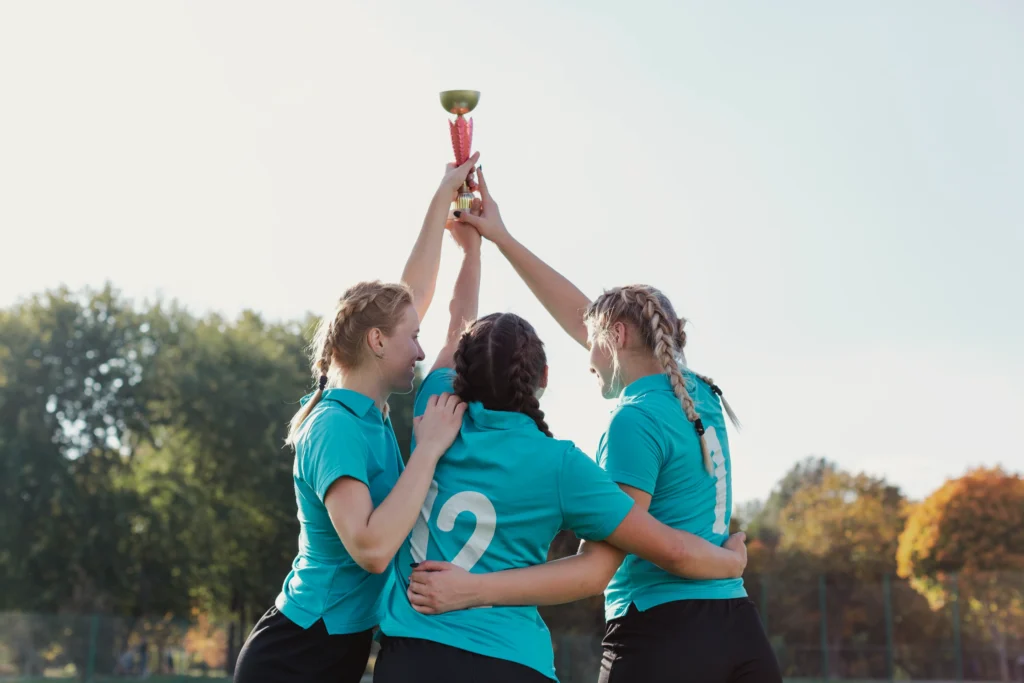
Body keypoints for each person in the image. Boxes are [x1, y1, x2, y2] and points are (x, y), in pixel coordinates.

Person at [405, 167, 782, 683]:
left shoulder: (633, 420)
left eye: (594, 341)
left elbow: (608, 562)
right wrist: (501, 238)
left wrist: (474, 588)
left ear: (620, 336)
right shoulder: (700, 396)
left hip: (662, 629)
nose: (587, 356)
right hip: (739, 627)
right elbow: (593, 321)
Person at [233, 154, 479, 683]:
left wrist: (455, 222)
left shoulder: (368, 413)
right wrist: (428, 450)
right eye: (412, 338)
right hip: (294, 658)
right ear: (376, 342)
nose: (421, 351)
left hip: (334, 652)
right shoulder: (335, 426)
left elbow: (415, 300)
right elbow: (371, 549)